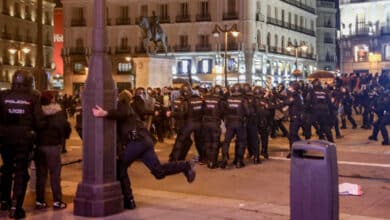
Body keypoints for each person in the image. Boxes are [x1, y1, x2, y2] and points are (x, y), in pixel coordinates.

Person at [92, 90, 196, 209]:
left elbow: (123, 113)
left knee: (120, 167)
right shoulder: (126, 109)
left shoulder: (122, 104)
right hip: (145, 141)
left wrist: (104, 113)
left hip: (137, 141)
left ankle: (129, 200)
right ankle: (185, 166)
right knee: (158, 172)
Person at [0, 70, 44, 219]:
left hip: (5, 138)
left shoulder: (3, 95)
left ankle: (4, 201)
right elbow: (39, 121)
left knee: (6, 169)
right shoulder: (33, 96)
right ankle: (16, 207)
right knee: (21, 171)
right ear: (30, 82)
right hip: (24, 140)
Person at [34, 91, 69, 210]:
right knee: (55, 174)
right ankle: (57, 201)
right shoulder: (58, 113)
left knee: (41, 175)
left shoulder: (37, 112)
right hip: (53, 146)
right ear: (52, 99)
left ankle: (39, 201)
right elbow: (65, 127)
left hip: (39, 146)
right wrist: (62, 138)